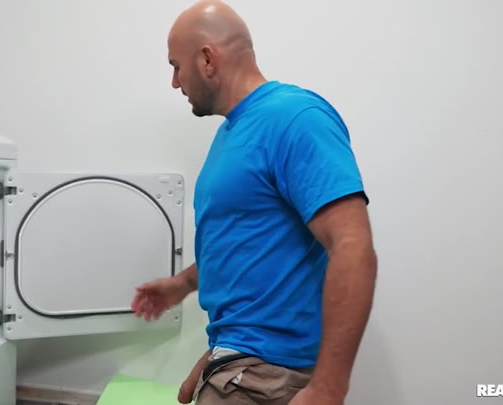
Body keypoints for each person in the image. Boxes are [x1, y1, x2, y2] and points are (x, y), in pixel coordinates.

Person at [131, 1, 377, 404]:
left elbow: (353, 246)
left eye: (176, 66)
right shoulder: (232, 133)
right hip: (236, 361)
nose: (175, 82)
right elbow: (247, 241)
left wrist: (328, 389)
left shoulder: (295, 118)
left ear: (207, 59)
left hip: (264, 375)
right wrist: (183, 284)